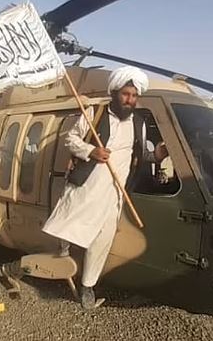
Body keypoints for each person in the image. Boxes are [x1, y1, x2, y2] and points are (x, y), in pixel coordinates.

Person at [41, 65, 168, 309]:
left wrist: (157, 156)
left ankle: (87, 286)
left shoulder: (139, 123)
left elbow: (138, 156)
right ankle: (59, 256)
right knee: (67, 224)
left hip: (115, 193)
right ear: (115, 92)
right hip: (87, 186)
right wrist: (91, 151)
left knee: (102, 241)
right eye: (125, 94)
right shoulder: (94, 113)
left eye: (133, 95)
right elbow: (71, 139)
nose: (129, 99)